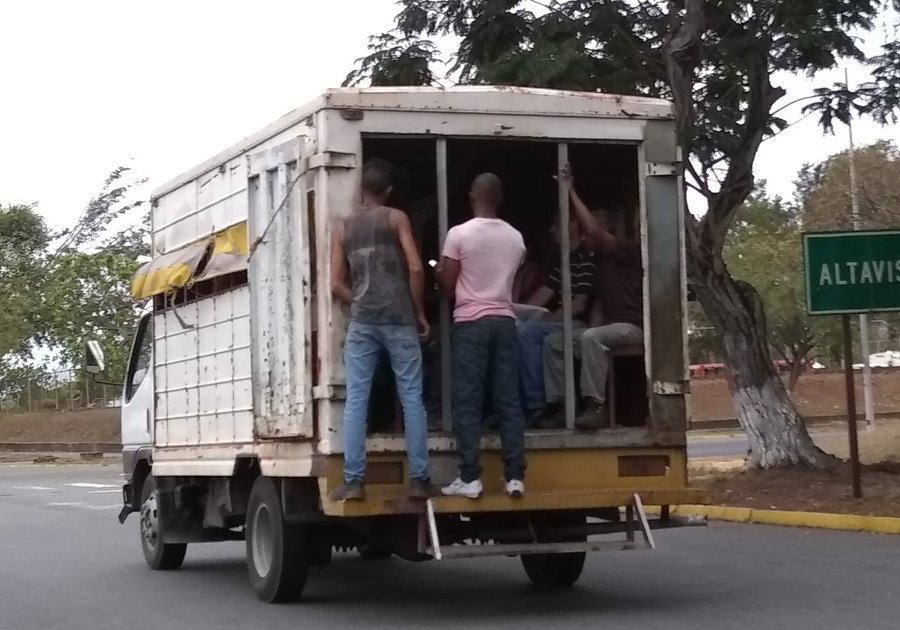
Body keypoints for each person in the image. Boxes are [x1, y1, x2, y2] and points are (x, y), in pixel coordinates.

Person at [329, 159, 434, 501]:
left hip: (363, 322)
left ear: (363, 189)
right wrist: (418, 311)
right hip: (399, 317)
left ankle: (354, 481)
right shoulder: (396, 217)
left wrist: (357, 300)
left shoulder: (343, 228)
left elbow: (335, 283)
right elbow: (417, 267)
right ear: (388, 191)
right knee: (411, 398)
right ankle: (419, 479)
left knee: (357, 398)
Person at [533, 165, 644, 431]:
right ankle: (561, 405)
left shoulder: (630, 251)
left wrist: (570, 191)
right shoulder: (599, 264)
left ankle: (596, 406)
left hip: (633, 328)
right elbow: (597, 306)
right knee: (554, 342)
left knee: (591, 337)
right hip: (610, 327)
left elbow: (593, 231)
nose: (588, 232)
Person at [437, 173, 527, 499]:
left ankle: (470, 478)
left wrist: (440, 276)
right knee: (508, 401)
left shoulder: (458, 234)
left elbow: (447, 284)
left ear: (472, 195)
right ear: (500, 197)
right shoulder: (516, 238)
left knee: (468, 401)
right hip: (505, 321)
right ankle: (514, 477)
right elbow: (513, 283)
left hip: (471, 323)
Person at [518, 213, 597, 426]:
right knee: (516, 329)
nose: (552, 231)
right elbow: (541, 296)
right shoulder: (563, 263)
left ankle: (539, 404)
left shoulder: (586, 259)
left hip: (582, 325)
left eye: (556, 223)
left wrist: (544, 322)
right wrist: (514, 312)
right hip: (562, 322)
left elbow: (578, 305)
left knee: (526, 333)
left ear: (573, 225)